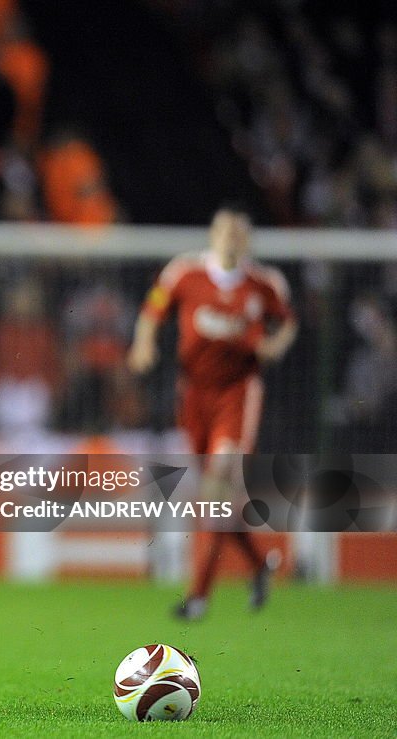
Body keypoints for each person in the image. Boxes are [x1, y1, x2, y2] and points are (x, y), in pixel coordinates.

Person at [127, 205, 298, 620]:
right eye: (225, 232)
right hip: (195, 396)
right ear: (213, 235)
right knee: (217, 500)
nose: (231, 240)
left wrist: (275, 346)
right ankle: (259, 566)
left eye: (239, 234)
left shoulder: (264, 284)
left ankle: (198, 597)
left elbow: (286, 322)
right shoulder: (184, 273)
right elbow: (153, 312)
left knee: (218, 484)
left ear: (248, 241)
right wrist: (143, 344)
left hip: (238, 394)